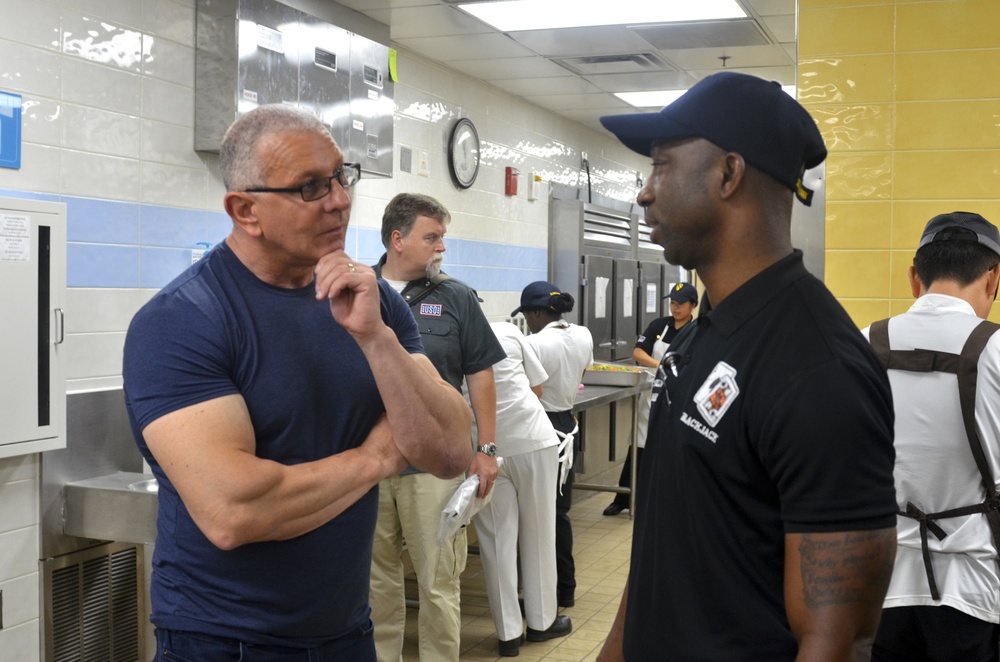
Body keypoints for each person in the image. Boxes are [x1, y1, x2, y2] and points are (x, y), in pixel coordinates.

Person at [121, 104, 473, 661]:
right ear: (245, 210)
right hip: (225, 638)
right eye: (310, 187)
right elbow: (235, 512)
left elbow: (452, 449)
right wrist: (378, 459)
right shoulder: (183, 320)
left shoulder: (371, 298)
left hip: (345, 629)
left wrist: (377, 340)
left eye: (340, 176)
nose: (339, 200)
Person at [596, 71, 898, 660]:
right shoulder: (700, 335)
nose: (644, 192)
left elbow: (838, 640)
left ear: (728, 174)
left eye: (661, 164)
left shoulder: (818, 370)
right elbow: (665, 545)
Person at [371, 192, 505, 662]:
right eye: (432, 237)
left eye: (442, 238)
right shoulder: (356, 291)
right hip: (366, 463)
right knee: (375, 583)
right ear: (397, 239)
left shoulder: (455, 297)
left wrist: (485, 447)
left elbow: (480, 372)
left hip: (433, 466)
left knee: (437, 582)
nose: (441, 248)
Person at [862, 212, 1000, 662]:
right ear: (993, 277)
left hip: (876, 584)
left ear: (914, 277)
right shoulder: (996, 351)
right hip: (975, 590)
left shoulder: (862, 344)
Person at [472, 321, 565, 657]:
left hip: (484, 450)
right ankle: (541, 623)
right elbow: (537, 388)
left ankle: (508, 634)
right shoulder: (507, 331)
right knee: (539, 533)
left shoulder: (445, 336)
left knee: (496, 541)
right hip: (531, 441)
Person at [513, 281, 594, 613]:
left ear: (535, 313)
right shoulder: (584, 335)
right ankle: (566, 588)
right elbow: (581, 371)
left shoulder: (533, 343)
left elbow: (525, 392)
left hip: (539, 429)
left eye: (527, 316)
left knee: (532, 517)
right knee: (559, 515)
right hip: (569, 427)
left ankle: (534, 591)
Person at [604, 281, 698, 517]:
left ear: (693, 305)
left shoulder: (698, 330)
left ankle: (672, 499)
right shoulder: (660, 326)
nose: (675, 308)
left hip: (682, 393)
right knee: (639, 445)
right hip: (652, 393)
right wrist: (660, 365)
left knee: (676, 448)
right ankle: (624, 498)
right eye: (673, 303)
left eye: (680, 304)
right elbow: (638, 352)